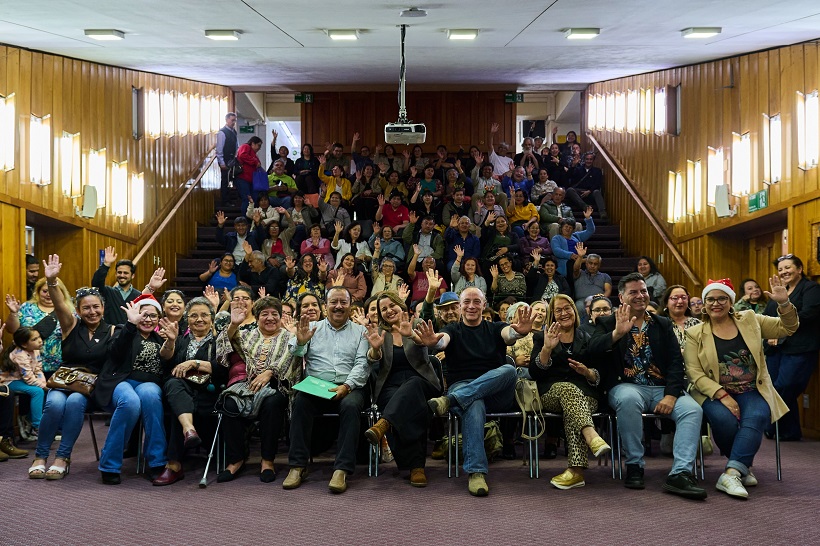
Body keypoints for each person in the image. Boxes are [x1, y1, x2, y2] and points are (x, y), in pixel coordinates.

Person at [593, 272, 707, 499]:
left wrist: (671, 395)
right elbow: (593, 351)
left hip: (662, 389)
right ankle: (635, 465)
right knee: (628, 400)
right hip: (626, 386)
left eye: (643, 291)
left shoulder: (662, 324)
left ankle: (681, 473)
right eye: (633, 292)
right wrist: (617, 334)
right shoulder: (607, 322)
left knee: (693, 410)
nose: (640, 296)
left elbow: (676, 362)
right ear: (621, 296)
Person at [685, 277, 797, 498]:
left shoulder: (750, 319)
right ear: (704, 304)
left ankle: (732, 472)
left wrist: (784, 304)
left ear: (731, 301)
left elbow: (788, 328)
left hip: (751, 389)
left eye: (722, 299)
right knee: (724, 421)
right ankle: (743, 465)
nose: (716, 303)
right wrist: (722, 394)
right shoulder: (695, 332)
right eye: (710, 299)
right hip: (713, 392)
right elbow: (693, 372)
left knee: (756, 417)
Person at [418, 287, 534, 496]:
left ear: (484, 304)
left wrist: (519, 332)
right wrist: (434, 342)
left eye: (476, 301)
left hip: (496, 393)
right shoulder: (453, 329)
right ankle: (477, 473)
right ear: (460, 306)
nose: (471, 306)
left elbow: (509, 335)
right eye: (466, 302)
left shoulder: (496, 327)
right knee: (475, 403)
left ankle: (450, 400)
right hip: (464, 387)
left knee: (509, 369)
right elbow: (443, 341)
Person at [29, 255, 117, 480]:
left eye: (96, 307)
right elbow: (59, 305)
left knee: (76, 402)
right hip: (65, 381)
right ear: (78, 310)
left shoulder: (112, 330)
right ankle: (40, 456)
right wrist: (51, 280)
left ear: (103, 308)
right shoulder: (70, 325)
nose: (92, 312)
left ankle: (62, 457)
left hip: (90, 388)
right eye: (86, 308)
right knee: (55, 402)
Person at [284, 287, 371, 494]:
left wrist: (346, 386)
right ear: (325, 306)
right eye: (334, 302)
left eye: (343, 302)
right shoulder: (312, 327)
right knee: (300, 403)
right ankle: (297, 465)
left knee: (351, 407)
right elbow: (294, 352)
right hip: (317, 386)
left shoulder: (360, 331)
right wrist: (300, 342)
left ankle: (341, 469)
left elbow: (362, 364)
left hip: (349, 386)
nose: (339, 306)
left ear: (350, 306)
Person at [530, 295, 611, 489]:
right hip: (550, 393)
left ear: (575, 311)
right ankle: (592, 436)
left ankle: (576, 472)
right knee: (568, 390)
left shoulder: (588, 338)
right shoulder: (542, 337)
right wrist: (547, 349)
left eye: (567, 308)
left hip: (585, 395)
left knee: (573, 406)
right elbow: (535, 373)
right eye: (559, 310)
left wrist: (587, 372)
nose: (564, 313)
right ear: (552, 315)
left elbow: (599, 375)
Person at [216, 296, 299, 483]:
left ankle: (267, 460)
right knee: (229, 403)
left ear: (280, 316)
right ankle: (236, 459)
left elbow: (291, 359)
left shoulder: (289, 336)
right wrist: (233, 324)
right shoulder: (247, 334)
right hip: (248, 385)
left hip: (277, 385)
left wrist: (270, 372)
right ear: (257, 317)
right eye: (264, 314)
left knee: (273, 403)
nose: (270, 318)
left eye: (274, 314)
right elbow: (223, 349)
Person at [363, 291, 441, 487]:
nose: (389, 311)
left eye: (392, 306)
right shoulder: (380, 332)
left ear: (400, 305)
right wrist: (375, 348)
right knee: (408, 406)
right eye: (383, 309)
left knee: (412, 387)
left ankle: (384, 423)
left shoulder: (415, 324)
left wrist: (412, 335)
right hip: (391, 385)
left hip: (422, 382)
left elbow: (426, 346)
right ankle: (416, 467)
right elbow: (373, 359)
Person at [93, 295, 173, 485]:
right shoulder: (123, 330)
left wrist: (171, 341)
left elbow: (168, 364)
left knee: (152, 397)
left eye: (153, 316)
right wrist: (130, 325)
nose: (148, 319)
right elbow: (115, 353)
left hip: (149, 384)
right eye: (144, 315)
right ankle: (110, 465)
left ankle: (157, 462)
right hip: (121, 381)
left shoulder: (160, 337)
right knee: (130, 402)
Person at [153, 297, 225, 486]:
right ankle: (189, 431)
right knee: (174, 383)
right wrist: (170, 341)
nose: (199, 319)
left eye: (204, 315)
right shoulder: (181, 339)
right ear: (187, 319)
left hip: (209, 394)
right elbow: (166, 363)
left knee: (180, 407)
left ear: (212, 318)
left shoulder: (220, 341)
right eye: (193, 315)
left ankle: (174, 464)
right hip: (181, 392)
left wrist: (194, 363)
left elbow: (223, 369)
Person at [763, 254, 820, 441]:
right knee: (773, 388)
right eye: (780, 269)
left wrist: (781, 329)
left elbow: (809, 314)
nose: (784, 272)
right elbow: (767, 317)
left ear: (799, 269)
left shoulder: (811, 288)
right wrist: (771, 333)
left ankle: (773, 425)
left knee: (784, 387)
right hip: (775, 349)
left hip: (800, 348)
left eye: (788, 268)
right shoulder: (780, 290)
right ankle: (790, 431)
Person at [5, 277, 71, 376]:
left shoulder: (69, 310)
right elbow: (11, 330)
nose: (49, 295)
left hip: (60, 368)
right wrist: (13, 313)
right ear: (38, 291)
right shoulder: (27, 307)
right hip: (27, 366)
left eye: (52, 291)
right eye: (45, 291)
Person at [1, 327, 46, 438]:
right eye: (35, 339)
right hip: (9, 381)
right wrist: (43, 386)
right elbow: (29, 378)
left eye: (39, 337)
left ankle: (31, 421)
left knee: (42, 389)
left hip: (22, 379)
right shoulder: (20, 355)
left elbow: (38, 369)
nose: (40, 340)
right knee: (37, 392)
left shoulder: (35, 350)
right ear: (24, 344)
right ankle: (38, 426)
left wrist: (44, 383)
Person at [91, 246, 141, 325]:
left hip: (132, 334)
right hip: (111, 334)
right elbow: (96, 283)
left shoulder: (138, 295)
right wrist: (106, 264)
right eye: (119, 272)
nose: (122, 275)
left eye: (125, 273)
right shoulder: (108, 292)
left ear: (133, 275)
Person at [551, 208, 595, 278]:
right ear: (561, 228)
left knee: (593, 258)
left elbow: (590, 231)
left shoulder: (576, 236)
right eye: (566, 226)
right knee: (572, 263)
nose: (568, 229)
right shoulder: (556, 238)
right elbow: (556, 251)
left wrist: (588, 218)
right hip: (567, 264)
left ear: (573, 229)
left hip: (579, 260)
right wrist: (571, 255)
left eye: (570, 227)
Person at [566, 152, 608, 220]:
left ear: (593, 160)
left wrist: (589, 191)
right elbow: (568, 177)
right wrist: (573, 166)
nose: (588, 161)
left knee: (597, 192)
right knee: (569, 190)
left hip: (591, 192)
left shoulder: (597, 171)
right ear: (584, 160)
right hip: (579, 192)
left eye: (590, 159)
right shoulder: (578, 169)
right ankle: (585, 207)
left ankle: (602, 212)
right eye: (587, 159)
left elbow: (598, 183)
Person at [573, 253, 612, 322]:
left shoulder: (605, 276)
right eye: (590, 263)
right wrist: (580, 257)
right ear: (586, 264)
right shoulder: (579, 273)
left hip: (598, 299)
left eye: (595, 264)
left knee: (602, 306)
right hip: (582, 301)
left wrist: (601, 297)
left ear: (599, 265)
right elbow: (576, 268)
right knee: (579, 306)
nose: (592, 266)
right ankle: (582, 329)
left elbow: (608, 291)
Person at [233, 136, 263, 205]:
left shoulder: (253, 153)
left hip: (251, 179)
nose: (259, 148)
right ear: (253, 143)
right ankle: (245, 215)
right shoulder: (246, 147)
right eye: (258, 145)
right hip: (243, 178)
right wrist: (255, 162)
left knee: (253, 199)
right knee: (247, 199)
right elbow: (242, 155)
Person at [216, 112, 238, 205]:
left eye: (235, 120)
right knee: (225, 180)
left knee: (231, 180)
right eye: (232, 120)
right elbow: (219, 149)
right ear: (227, 120)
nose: (233, 122)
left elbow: (236, 146)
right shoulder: (222, 132)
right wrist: (222, 162)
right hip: (225, 160)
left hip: (232, 160)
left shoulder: (234, 132)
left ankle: (230, 198)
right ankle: (225, 200)